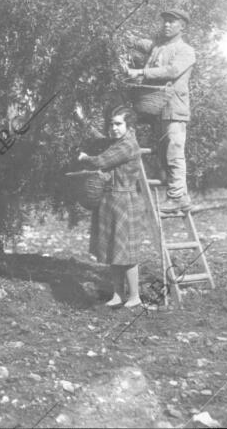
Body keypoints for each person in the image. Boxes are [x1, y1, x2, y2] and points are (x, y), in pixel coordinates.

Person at [126, 8, 195, 212]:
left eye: (171, 22)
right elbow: (145, 44)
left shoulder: (186, 50)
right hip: (158, 109)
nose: (166, 24)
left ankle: (176, 197)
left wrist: (141, 71)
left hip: (175, 108)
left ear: (182, 26)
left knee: (174, 151)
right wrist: (127, 37)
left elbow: (172, 70)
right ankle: (181, 196)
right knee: (164, 154)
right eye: (164, 21)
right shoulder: (158, 47)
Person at [78, 105, 145, 308]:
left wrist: (83, 158)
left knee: (127, 253)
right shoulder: (119, 142)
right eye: (112, 123)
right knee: (113, 251)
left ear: (129, 125)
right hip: (111, 201)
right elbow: (104, 148)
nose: (114, 127)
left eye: (118, 124)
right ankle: (118, 295)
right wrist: (82, 119)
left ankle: (134, 297)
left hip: (125, 202)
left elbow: (101, 160)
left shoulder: (127, 145)